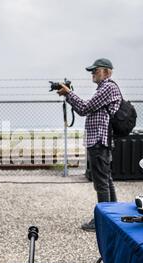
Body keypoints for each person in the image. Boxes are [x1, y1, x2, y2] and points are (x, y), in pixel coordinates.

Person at [57, 58, 122, 232]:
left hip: (99, 140)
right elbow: (83, 110)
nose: (92, 73)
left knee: (101, 182)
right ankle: (113, 217)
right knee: (106, 180)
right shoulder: (104, 88)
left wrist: (68, 94)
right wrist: (69, 95)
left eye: (96, 70)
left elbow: (85, 107)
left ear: (107, 72)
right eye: (92, 71)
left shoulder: (108, 87)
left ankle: (103, 221)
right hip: (100, 140)